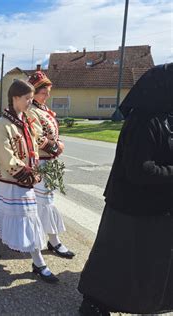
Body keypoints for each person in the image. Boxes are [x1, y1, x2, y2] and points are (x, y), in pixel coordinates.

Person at [78, 64, 173, 315]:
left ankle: (143, 301)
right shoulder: (143, 122)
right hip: (131, 208)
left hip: (156, 209)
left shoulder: (165, 118)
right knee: (117, 260)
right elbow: (139, 170)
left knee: (145, 264)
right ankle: (96, 303)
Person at [0, 79, 59, 283]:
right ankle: (39, 264)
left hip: (20, 179)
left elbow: (34, 146)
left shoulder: (24, 122)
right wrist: (26, 173)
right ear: (15, 98)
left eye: (31, 98)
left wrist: (48, 153)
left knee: (0, 212)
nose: (31, 102)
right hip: (12, 179)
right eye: (27, 98)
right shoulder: (2, 126)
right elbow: (5, 156)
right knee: (28, 219)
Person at [26, 71, 75, 259]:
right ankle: (52, 241)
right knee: (44, 202)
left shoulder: (43, 109)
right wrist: (56, 147)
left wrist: (57, 145)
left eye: (48, 92)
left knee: (47, 201)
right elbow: (36, 138)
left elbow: (52, 132)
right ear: (34, 92)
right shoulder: (31, 110)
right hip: (40, 162)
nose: (47, 95)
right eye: (43, 92)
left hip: (49, 162)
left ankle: (48, 240)